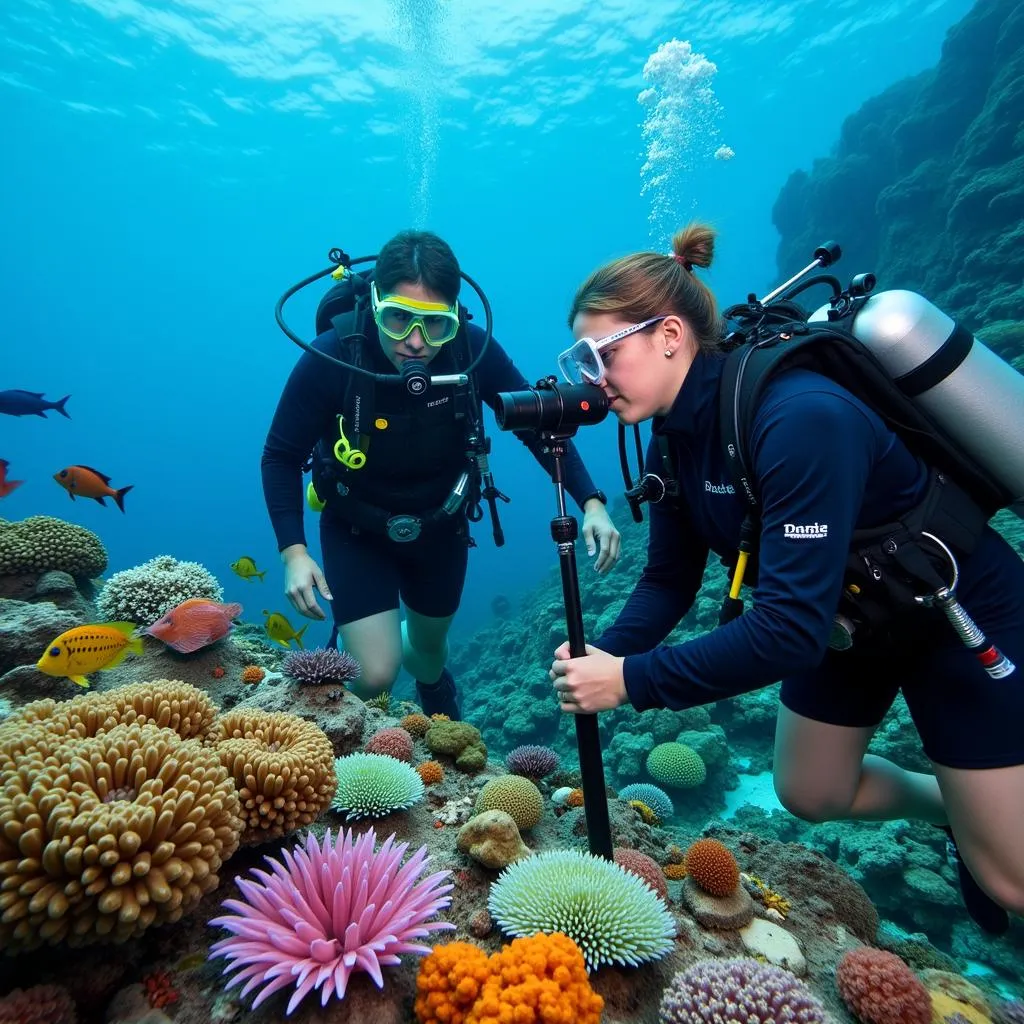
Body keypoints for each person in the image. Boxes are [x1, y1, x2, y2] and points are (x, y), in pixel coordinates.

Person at [548, 222, 1024, 935]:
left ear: (670, 335)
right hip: (852, 621)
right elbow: (669, 580)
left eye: (599, 355)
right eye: (580, 360)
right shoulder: (674, 434)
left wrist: (630, 681)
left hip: (952, 613)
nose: (590, 380)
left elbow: (788, 632)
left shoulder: (799, 417)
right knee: (811, 791)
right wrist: (603, 654)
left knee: (1010, 882)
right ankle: (957, 806)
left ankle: (991, 821)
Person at [262, 229, 620, 719]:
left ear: (454, 318)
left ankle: (433, 685)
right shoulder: (333, 354)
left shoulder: (471, 350)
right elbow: (280, 455)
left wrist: (591, 502)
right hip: (355, 527)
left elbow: (536, 424)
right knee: (375, 674)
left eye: (435, 326)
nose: (415, 342)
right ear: (374, 304)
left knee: (428, 652)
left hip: (442, 525)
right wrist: (294, 553)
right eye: (397, 319)